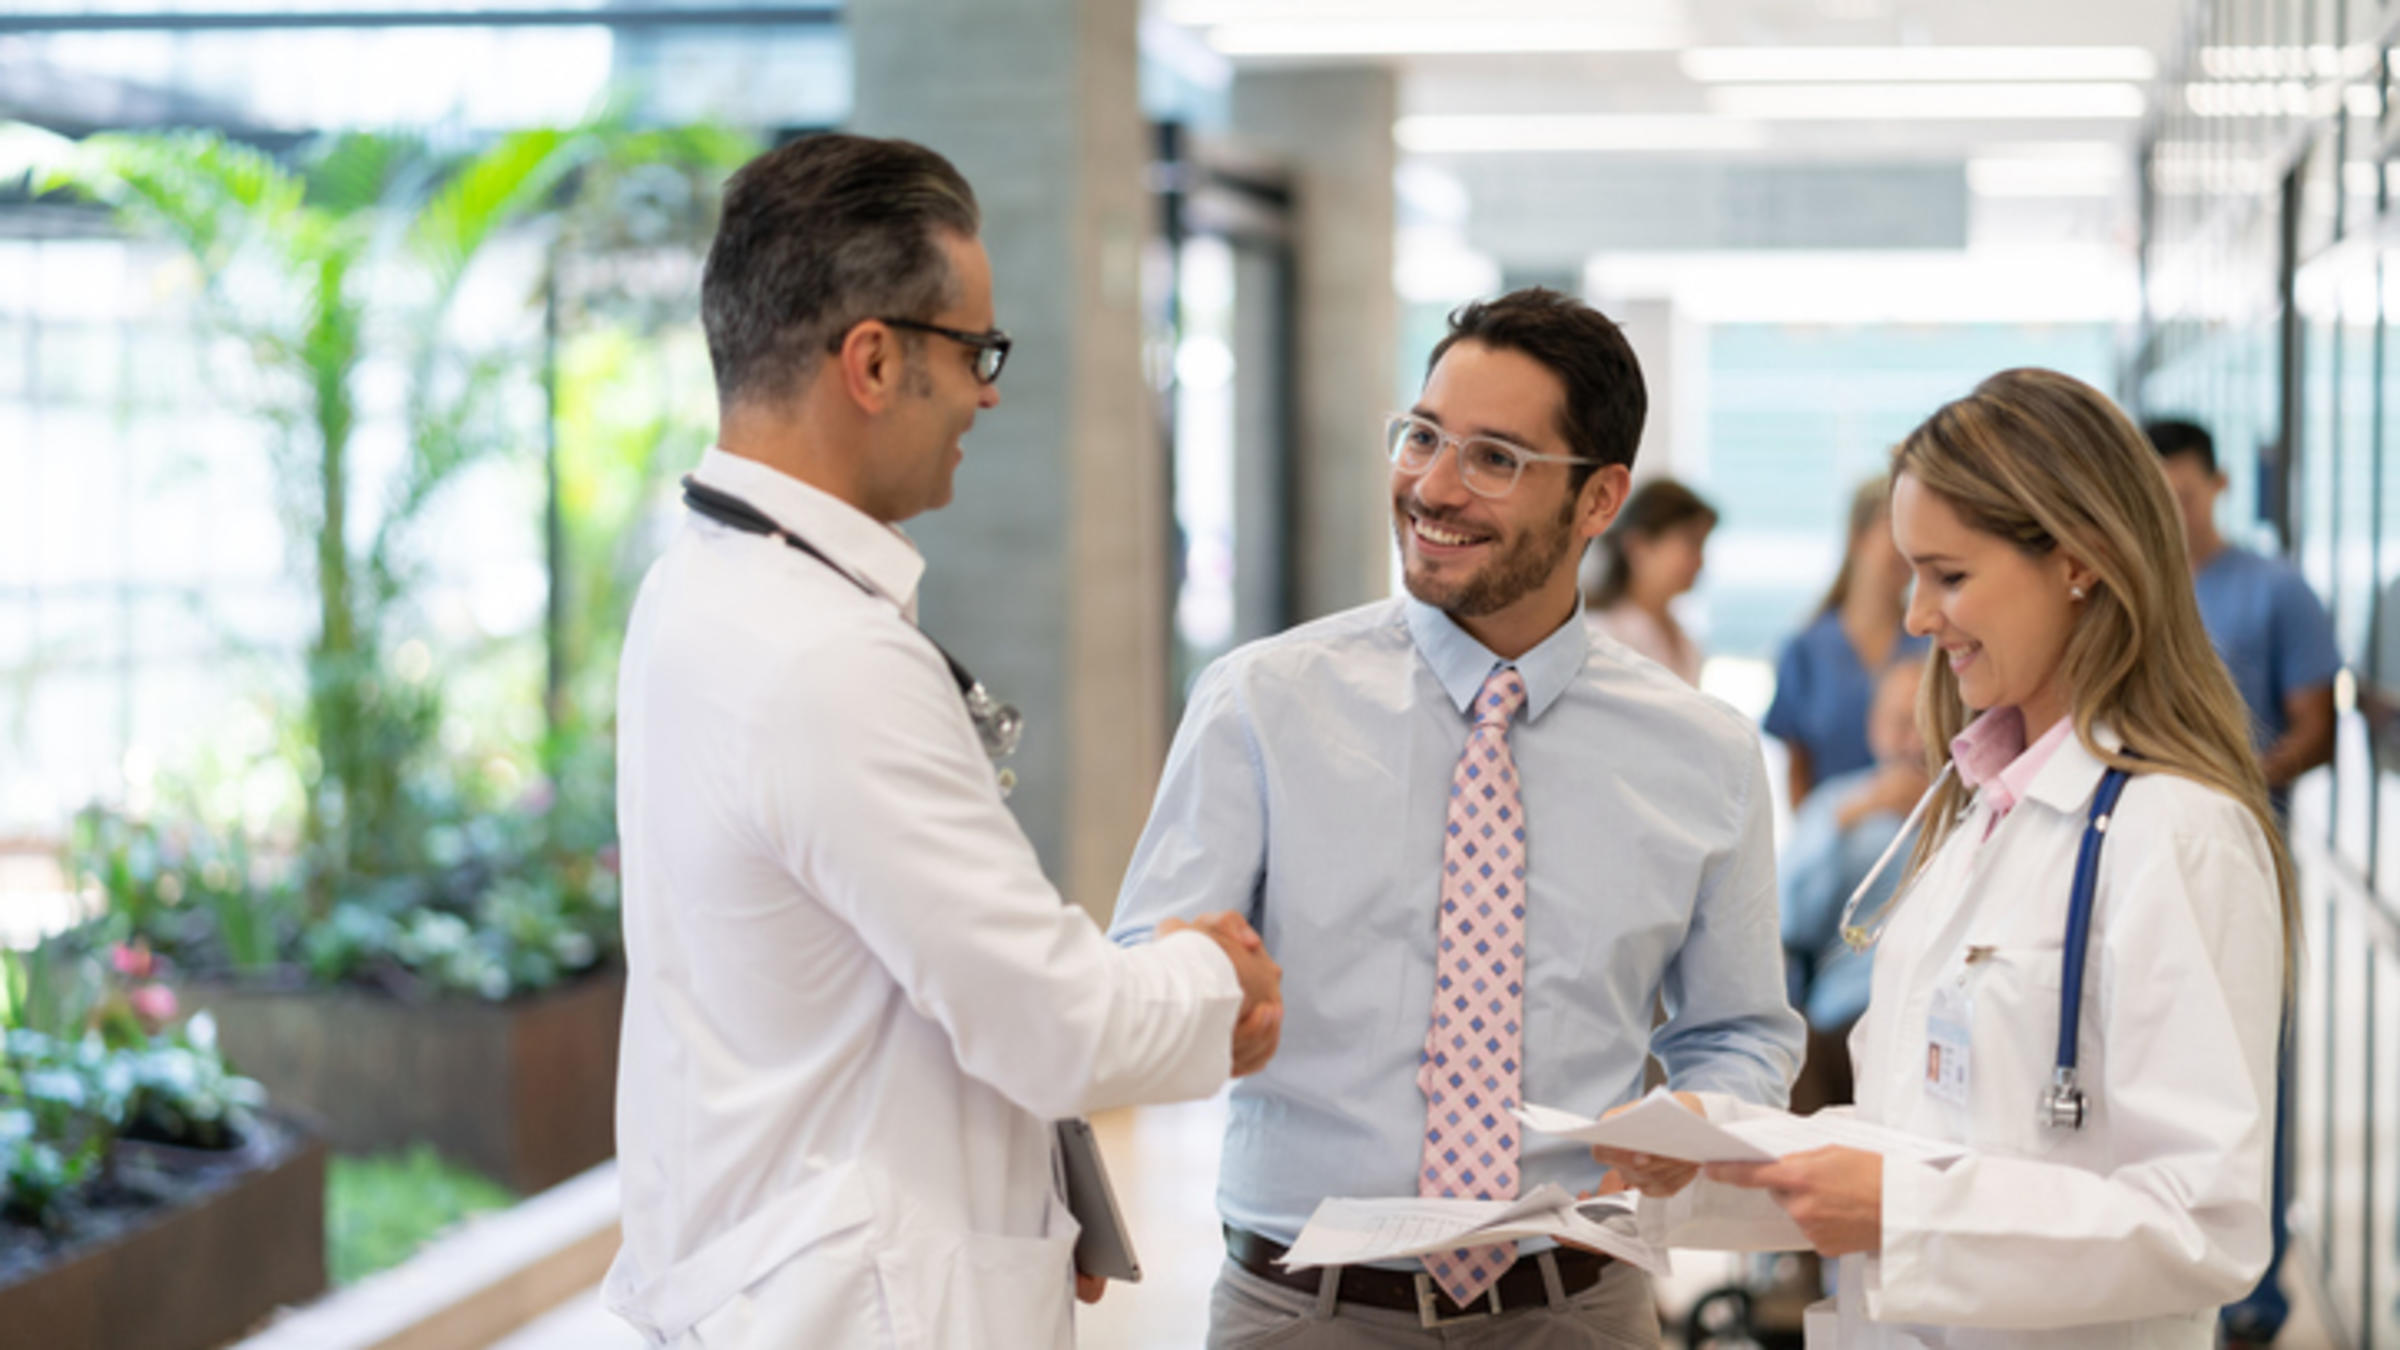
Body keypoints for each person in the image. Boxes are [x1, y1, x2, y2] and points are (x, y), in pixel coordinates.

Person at [603, 133, 1284, 1350]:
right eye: (976, 352)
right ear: (873, 360)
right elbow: (1053, 1023)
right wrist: (1213, 977)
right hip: (855, 1309)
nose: (989, 393)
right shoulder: (827, 658)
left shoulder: (701, 590)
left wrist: (1025, 1193)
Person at [1109, 287, 1805, 1347]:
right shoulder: (1262, 703)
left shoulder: (1704, 752)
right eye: (1424, 436)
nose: (1433, 486)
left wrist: (1700, 1118)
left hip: (1578, 1308)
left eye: (1495, 458)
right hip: (1305, 1311)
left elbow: (1741, 1031)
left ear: (1599, 499)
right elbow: (1142, 977)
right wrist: (1202, 1003)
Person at [1617, 369, 2291, 1348]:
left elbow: (2204, 1224)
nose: (1916, 618)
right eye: (1911, 574)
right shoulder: (1979, 812)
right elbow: (1923, 1135)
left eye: (1949, 575)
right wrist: (1715, 1158)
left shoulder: (2177, 835)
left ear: (2080, 560)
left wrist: (1903, 1213)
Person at [2144, 417, 2340, 1348]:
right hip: (2146, 861)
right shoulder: (2128, 586)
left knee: (2255, 1070)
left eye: (2183, 495)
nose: (2171, 514)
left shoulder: (2274, 589)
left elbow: (2318, 727)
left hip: (2248, 852)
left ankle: (2253, 1304)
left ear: (2217, 486)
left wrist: (2227, 781)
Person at [1780, 657, 1926, 1114]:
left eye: (1925, 726)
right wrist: (1849, 821)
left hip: (1924, 1015)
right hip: (1841, 1012)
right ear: (1874, 729)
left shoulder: (1972, 810)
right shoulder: (1834, 806)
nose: (1913, 743)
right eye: (1901, 724)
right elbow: (1787, 919)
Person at [1764, 477, 1927, 807]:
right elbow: (1797, 773)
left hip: (1917, 828)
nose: (1908, 547)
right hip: (1834, 829)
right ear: (1858, 537)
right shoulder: (1806, 651)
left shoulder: (1932, 645)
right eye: (1894, 529)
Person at [1583, 476, 1718, 685]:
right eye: (1691, 544)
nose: (1700, 561)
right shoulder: (1601, 634)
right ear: (1638, 546)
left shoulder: (1685, 638)